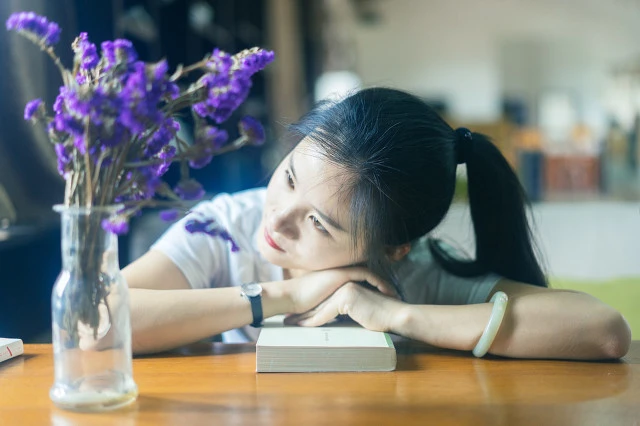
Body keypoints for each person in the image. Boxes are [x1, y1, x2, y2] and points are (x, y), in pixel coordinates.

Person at [124, 88, 631, 359]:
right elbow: (97, 317)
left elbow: (604, 332)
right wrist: (282, 298)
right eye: (291, 176)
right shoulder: (226, 227)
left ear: (393, 249)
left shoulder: (419, 276)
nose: (278, 216)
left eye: (320, 224)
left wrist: (397, 316)